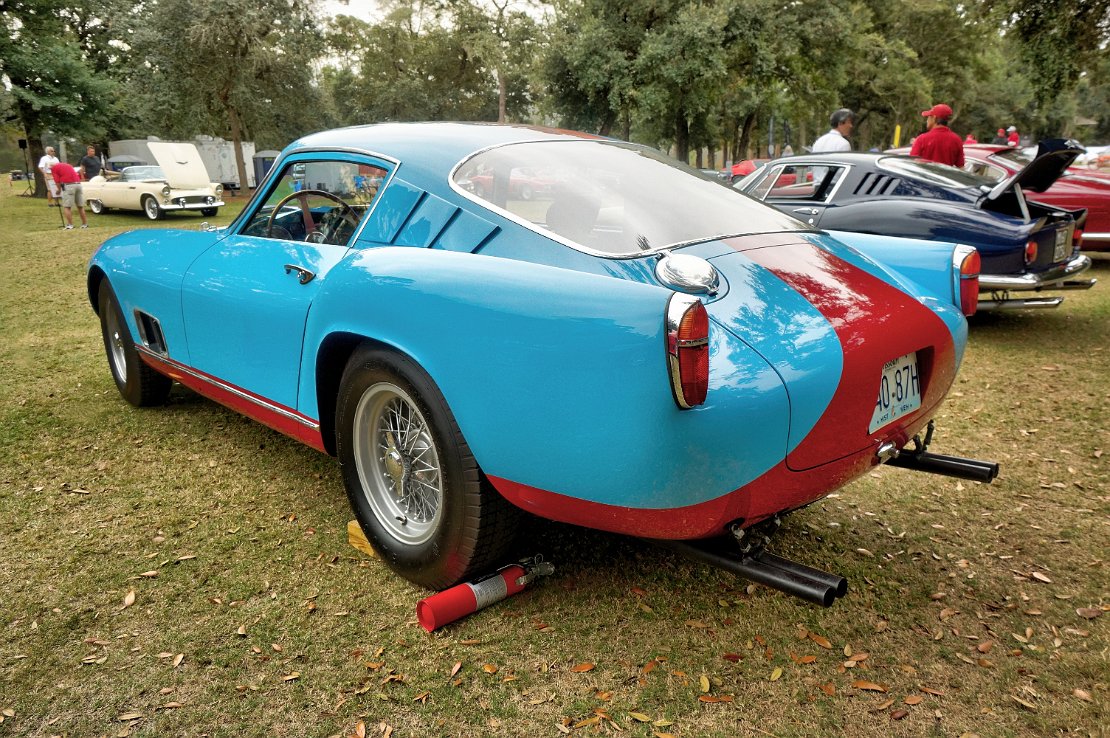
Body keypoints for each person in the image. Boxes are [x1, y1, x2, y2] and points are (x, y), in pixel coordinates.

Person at [50, 160, 88, 229]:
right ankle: (84, 224)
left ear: (51, 166)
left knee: (67, 206)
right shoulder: (68, 165)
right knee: (80, 206)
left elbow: (57, 181)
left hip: (68, 185)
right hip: (78, 184)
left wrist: (58, 190)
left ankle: (70, 225)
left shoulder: (54, 168)